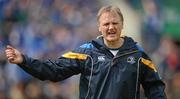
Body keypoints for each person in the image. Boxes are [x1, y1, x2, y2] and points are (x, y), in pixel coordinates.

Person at [5, 5, 167, 99]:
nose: (111, 27)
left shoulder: (138, 56)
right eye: (106, 24)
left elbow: (156, 89)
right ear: (99, 27)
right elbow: (53, 71)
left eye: (115, 23)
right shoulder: (86, 53)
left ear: (122, 25)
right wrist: (24, 60)